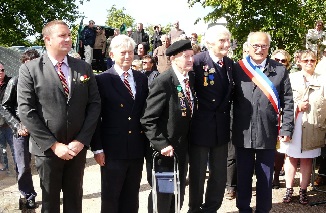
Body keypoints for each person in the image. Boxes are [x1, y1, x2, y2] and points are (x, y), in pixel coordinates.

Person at [17, 20, 101, 213]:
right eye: (62, 35)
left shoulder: (83, 68)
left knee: (74, 200)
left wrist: (81, 140)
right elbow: (26, 111)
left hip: (76, 148)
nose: (68, 39)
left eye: (69, 35)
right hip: (47, 151)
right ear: (47, 39)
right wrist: (54, 145)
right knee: (50, 202)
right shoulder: (30, 69)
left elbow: (94, 105)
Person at [232, 31, 294, 213]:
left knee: (265, 176)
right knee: (243, 175)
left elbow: (288, 101)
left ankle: (263, 209)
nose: (260, 49)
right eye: (256, 45)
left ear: (269, 47)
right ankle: (243, 208)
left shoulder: (280, 70)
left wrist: (287, 128)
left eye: (264, 46)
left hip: (268, 132)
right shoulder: (237, 69)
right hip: (242, 132)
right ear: (248, 47)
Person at [91, 34, 149, 213]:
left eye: (131, 52)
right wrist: (97, 148)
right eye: (123, 52)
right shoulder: (102, 80)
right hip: (112, 149)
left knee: (131, 196)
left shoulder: (141, 78)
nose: (128, 56)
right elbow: (95, 117)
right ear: (111, 54)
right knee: (111, 197)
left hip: (136, 147)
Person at [141, 39, 194, 213]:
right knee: (162, 195)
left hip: (182, 149)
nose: (190, 60)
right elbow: (148, 119)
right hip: (165, 151)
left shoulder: (190, 80)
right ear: (173, 59)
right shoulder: (163, 81)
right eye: (185, 56)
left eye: (192, 56)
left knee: (177, 194)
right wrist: (161, 144)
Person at [188, 25, 234, 213]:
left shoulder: (230, 64)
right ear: (209, 42)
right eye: (222, 40)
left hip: (221, 126)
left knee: (220, 174)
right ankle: (195, 208)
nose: (226, 44)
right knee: (198, 173)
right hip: (200, 126)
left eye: (228, 40)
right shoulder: (197, 62)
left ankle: (211, 208)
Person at [280, 50, 326, 205]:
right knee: (290, 158)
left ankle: (303, 191)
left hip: (313, 125)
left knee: (307, 160)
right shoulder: (291, 78)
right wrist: (297, 106)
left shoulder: (323, 80)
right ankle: (288, 189)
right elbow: (282, 101)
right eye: (305, 60)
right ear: (298, 61)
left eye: (312, 60)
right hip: (294, 124)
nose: (309, 63)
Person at [0, 49, 39, 209]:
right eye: (27, 65)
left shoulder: (45, 80)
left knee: (46, 165)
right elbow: (5, 106)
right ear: (22, 65)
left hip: (41, 131)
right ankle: (28, 195)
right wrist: (18, 125)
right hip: (20, 131)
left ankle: (50, 193)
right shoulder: (14, 82)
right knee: (22, 166)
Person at [270, 49, 292, 189]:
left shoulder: (291, 76)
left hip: (284, 116)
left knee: (279, 150)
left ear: (287, 63)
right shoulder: (267, 75)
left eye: (283, 60)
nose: (279, 62)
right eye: (277, 60)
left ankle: (276, 176)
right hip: (269, 116)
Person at [0, 61, 14, 173]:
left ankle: (18, 168)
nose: (1, 72)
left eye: (2, 70)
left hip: (10, 122)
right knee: (1, 148)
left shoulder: (11, 82)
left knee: (15, 148)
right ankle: (5, 169)